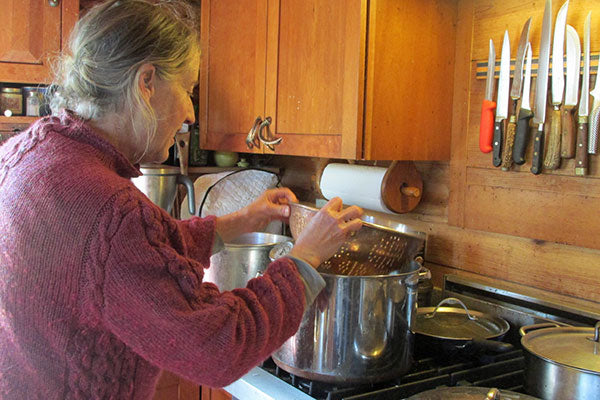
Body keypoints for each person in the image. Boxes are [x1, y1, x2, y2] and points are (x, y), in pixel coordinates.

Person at [0, 1, 363, 398]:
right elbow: (220, 348)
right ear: (146, 82)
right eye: (188, 89)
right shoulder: (110, 209)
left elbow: (118, 261)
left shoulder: (23, 153)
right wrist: (303, 260)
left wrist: (239, 222)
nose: (190, 113)